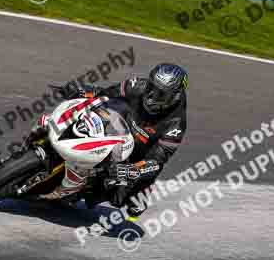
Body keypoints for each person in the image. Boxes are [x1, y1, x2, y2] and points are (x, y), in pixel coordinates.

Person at [32, 63, 188, 220]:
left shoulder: (176, 124)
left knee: (126, 200)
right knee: (78, 110)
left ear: (175, 96)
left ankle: (89, 189)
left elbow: (158, 160)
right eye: (151, 87)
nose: (151, 96)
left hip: (134, 156)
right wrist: (87, 92)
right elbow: (107, 94)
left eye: (160, 94)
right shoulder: (136, 85)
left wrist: (134, 170)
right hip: (115, 128)